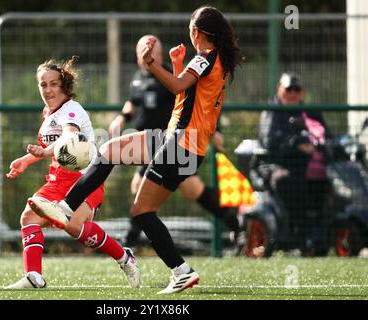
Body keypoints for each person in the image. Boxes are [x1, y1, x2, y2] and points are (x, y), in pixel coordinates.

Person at [28, 6, 243, 294]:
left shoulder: (204, 58)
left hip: (180, 145)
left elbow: (177, 85)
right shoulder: (211, 61)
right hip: (177, 141)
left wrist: (153, 65)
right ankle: (66, 208)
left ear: (196, 32)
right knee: (110, 149)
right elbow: (184, 92)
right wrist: (177, 64)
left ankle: (181, 271)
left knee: (142, 211)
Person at [5, 57, 141, 289]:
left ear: (64, 85)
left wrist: (44, 151)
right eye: (43, 84)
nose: (48, 89)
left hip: (84, 179)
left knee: (74, 226)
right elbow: (55, 146)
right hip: (57, 178)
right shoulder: (47, 113)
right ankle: (34, 277)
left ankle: (124, 256)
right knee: (28, 217)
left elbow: (69, 137)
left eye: (53, 84)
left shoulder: (72, 110)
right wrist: (27, 160)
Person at [109, 35, 240, 248]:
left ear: (159, 55)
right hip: (148, 145)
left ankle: (235, 221)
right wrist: (122, 118)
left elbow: (198, 101)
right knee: (141, 188)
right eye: (143, 47)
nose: (148, 50)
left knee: (191, 190)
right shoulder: (138, 78)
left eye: (152, 48)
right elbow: (132, 102)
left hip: (171, 145)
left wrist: (214, 131)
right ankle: (130, 241)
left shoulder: (169, 77)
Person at [257, 72, 331, 253]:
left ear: (302, 92)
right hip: (274, 165)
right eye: (288, 88)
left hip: (310, 167)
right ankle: (298, 233)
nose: (292, 93)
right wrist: (296, 143)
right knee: (286, 181)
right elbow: (269, 140)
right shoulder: (272, 112)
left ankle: (320, 234)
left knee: (330, 183)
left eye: (296, 89)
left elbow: (328, 137)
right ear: (279, 89)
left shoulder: (310, 114)